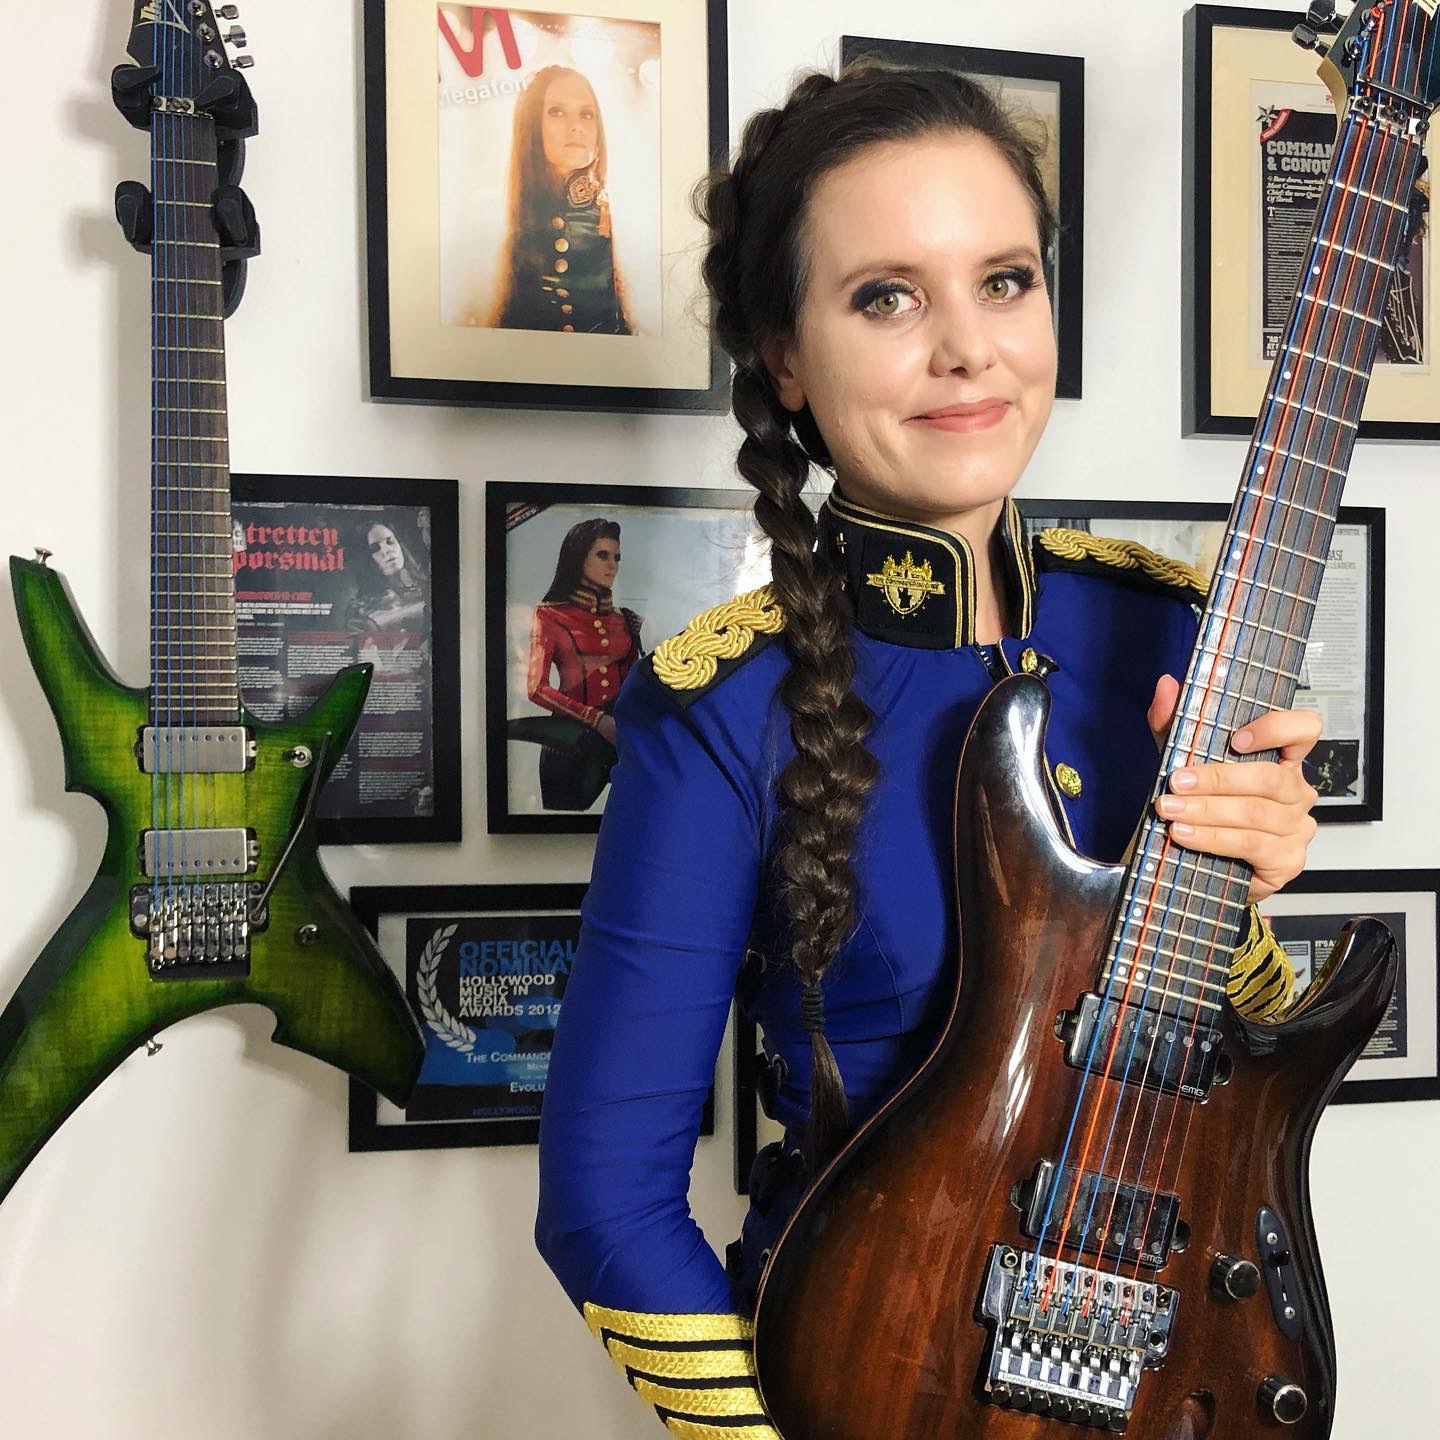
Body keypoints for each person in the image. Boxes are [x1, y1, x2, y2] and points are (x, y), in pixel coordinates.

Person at [536, 63, 1321, 1436]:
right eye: (887, 297)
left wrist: (1243, 896)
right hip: (874, 1383)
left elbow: (1229, 1067)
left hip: (1182, 1376)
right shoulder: (717, 706)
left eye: (1005, 281)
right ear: (786, 357)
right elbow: (605, 1202)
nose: (969, 348)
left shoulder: (1170, 629)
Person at [508, 519, 642, 811]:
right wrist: (597, 719)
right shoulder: (550, 616)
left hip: (619, 745)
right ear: (579, 557)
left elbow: (633, 686)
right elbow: (536, 689)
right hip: (568, 745)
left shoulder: (628, 621)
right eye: (603, 555)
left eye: (617, 557)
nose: (613, 566)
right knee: (560, 828)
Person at [490, 65, 633, 335]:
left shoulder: (623, 213)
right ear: (532, 125)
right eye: (557, 112)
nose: (576, 126)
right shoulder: (498, 217)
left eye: (587, 114)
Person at [344, 519, 429, 633]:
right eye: (375, 549)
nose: (387, 550)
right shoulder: (359, 612)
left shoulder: (427, 586)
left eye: (390, 542)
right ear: (366, 559)